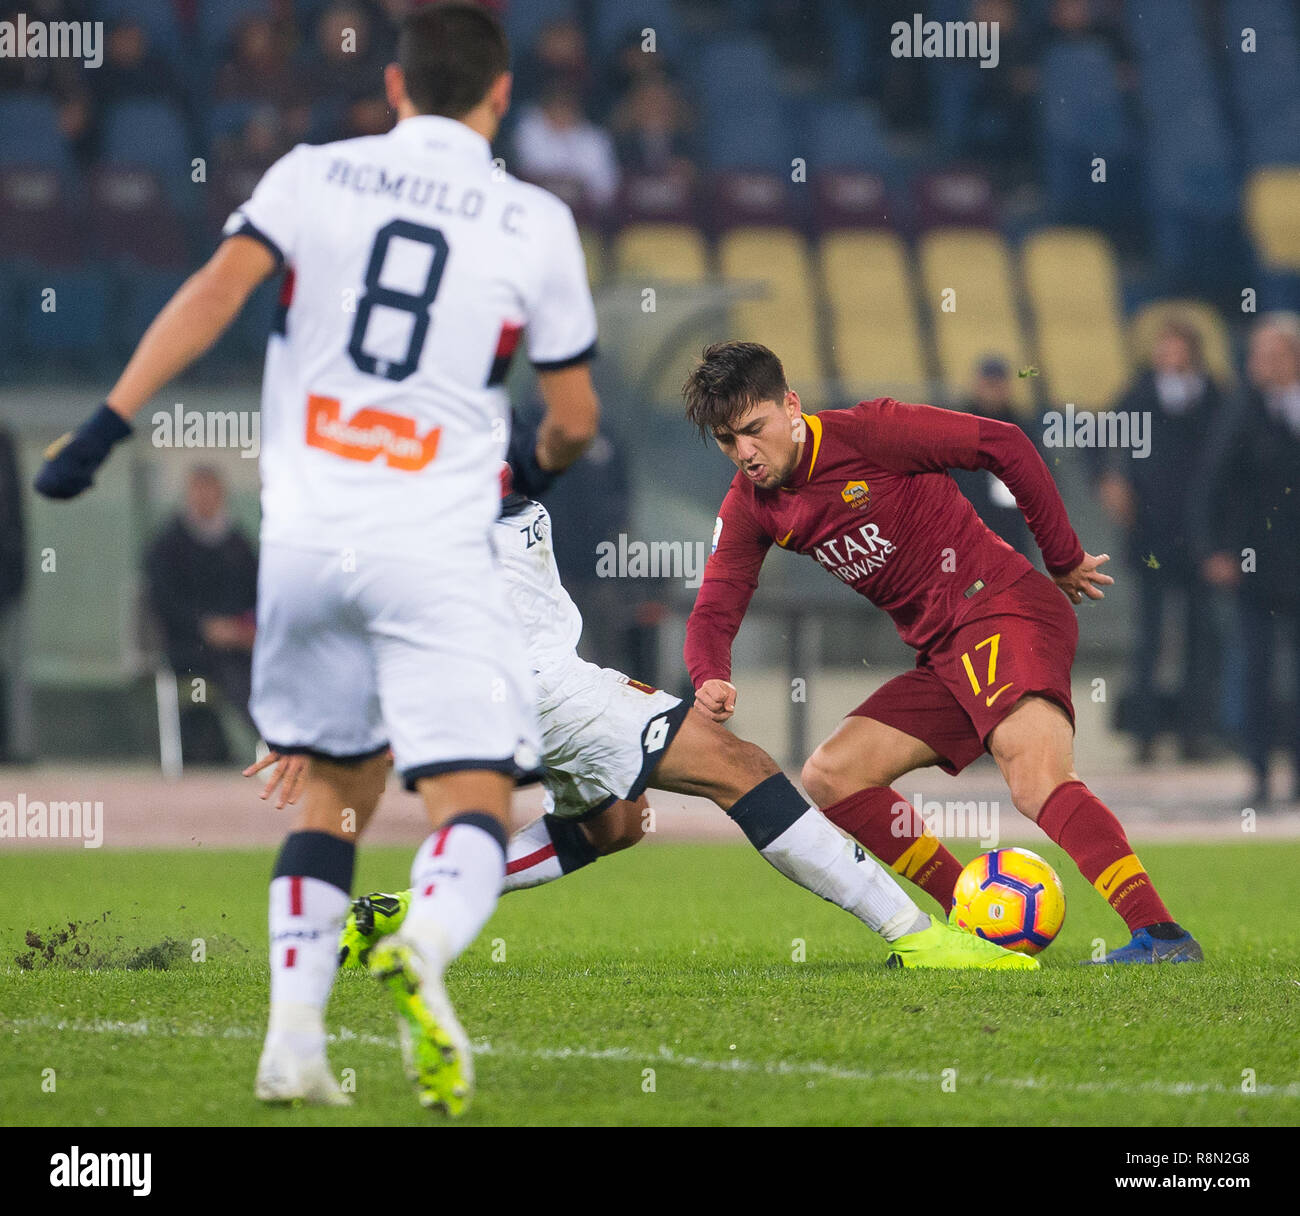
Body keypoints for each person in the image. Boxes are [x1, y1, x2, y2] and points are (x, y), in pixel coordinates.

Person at [33, 4, 601, 1115]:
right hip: (435, 536)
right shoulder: (533, 219)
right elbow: (574, 416)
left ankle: (292, 1045)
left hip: (304, 541)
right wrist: (531, 466)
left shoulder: (312, 173)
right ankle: (425, 946)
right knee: (474, 800)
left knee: (332, 796)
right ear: (497, 100)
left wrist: (104, 428)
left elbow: (211, 295)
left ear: (393, 89)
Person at [250, 442, 1036, 974]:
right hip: (546, 687)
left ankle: (399, 912)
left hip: (518, 695)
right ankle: (922, 939)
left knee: (615, 826)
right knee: (743, 769)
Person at [683, 341, 1203, 965]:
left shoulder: (871, 431)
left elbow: (1005, 444)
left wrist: (1061, 556)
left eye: (752, 429)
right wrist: (709, 673)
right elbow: (718, 600)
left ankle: (1161, 936)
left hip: (1004, 609)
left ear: (790, 406)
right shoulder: (751, 506)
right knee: (833, 775)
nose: (743, 453)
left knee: (1035, 778)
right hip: (944, 655)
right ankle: (971, 917)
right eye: (725, 440)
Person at [1099, 318, 1227, 762]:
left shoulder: (1213, 396)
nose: (1166, 356)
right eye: (1161, 347)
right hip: (1150, 533)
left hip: (1199, 535)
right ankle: (1145, 732)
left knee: (1199, 635)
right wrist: (1109, 478)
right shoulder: (1139, 393)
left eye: (1174, 347)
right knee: (1150, 635)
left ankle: (1195, 733)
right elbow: (1096, 439)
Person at [1199, 313, 1300, 807]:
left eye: (1270, 354)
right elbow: (1213, 484)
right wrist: (1216, 550)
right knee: (1255, 669)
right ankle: (1260, 772)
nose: (1259, 364)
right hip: (1256, 565)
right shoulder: (1242, 411)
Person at [144, 465, 258, 762]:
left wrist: (244, 630)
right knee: (232, 671)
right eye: (199, 491)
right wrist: (205, 628)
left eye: (212, 491)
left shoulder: (238, 545)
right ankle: (276, 745)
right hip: (188, 648)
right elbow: (163, 603)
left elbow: (257, 596)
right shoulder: (167, 545)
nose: (205, 499)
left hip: (240, 645)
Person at [949, 356, 1036, 561]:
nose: (993, 390)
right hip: (964, 530)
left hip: (1010, 532)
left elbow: (1041, 481)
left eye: (998, 384)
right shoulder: (956, 426)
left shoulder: (1021, 431)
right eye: (988, 384)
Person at [0, 422, 31, 763]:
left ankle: (10, 744)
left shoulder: (4, 443)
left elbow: (14, 519)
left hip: (5, 580)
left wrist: (17, 577)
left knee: (10, 665)